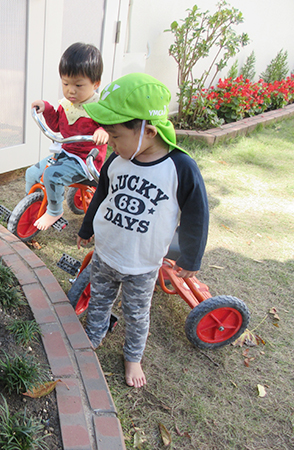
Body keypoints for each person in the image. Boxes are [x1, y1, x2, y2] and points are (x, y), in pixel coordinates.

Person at [76, 73, 209, 388]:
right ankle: (94, 334)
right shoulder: (117, 160)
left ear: (148, 131)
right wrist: (86, 227)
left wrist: (190, 257)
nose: (110, 142)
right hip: (107, 253)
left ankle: (133, 356)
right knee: (99, 300)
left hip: (143, 264)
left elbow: (196, 214)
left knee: (137, 315)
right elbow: (101, 195)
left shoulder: (180, 168)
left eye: (116, 135)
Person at [27, 42, 109, 231]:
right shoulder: (68, 104)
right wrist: (46, 108)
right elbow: (56, 125)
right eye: (66, 84)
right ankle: (32, 205)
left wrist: (103, 131)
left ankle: (55, 211)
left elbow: (111, 127)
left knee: (51, 175)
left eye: (78, 85)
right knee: (32, 173)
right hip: (65, 154)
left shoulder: (99, 108)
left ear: (95, 84)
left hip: (85, 161)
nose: (71, 90)